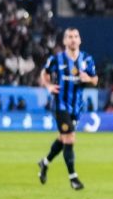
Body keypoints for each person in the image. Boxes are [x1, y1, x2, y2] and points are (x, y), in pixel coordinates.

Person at [37, 28, 98, 190]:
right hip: (60, 105)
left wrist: (88, 78)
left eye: (76, 36)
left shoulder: (87, 59)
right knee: (70, 138)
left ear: (80, 40)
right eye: (69, 37)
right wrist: (48, 86)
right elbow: (44, 73)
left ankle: (44, 163)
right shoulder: (56, 59)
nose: (73, 39)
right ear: (64, 41)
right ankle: (73, 178)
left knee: (62, 138)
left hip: (76, 107)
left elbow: (96, 80)